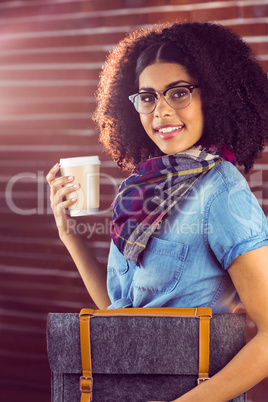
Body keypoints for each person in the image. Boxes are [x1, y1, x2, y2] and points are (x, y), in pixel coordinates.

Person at [47, 22, 268, 401]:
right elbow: (124, 321)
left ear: (213, 98)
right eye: (147, 98)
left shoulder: (222, 193)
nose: (160, 112)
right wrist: (69, 234)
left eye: (178, 93)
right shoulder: (141, 188)